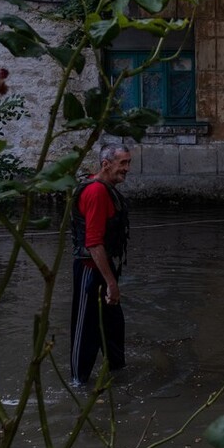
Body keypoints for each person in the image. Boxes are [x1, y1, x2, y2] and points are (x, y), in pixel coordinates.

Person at [70, 144, 132, 385]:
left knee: (114, 328)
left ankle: (119, 376)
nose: (127, 168)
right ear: (106, 164)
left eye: (128, 163)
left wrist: (111, 280)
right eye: (123, 163)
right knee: (85, 331)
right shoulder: (96, 192)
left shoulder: (108, 190)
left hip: (104, 269)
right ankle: (78, 383)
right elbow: (93, 243)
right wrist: (110, 283)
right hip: (90, 270)